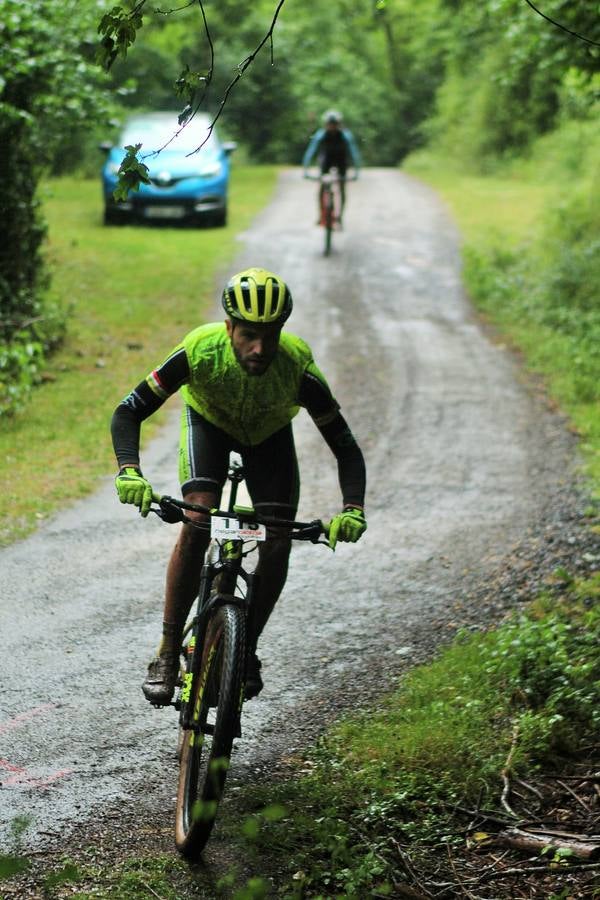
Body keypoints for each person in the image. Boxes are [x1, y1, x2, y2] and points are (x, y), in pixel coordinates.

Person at [111, 267, 367, 706]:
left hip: (268, 437)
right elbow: (129, 410)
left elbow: (345, 447)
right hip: (207, 425)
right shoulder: (198, 351)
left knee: (279, 539)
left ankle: (245, 649)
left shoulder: (297, 367)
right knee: (197, 518)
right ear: (229, 327)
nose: (260, 348)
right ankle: (169, 651)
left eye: (270, 335)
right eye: (249, 334)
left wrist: (353, 508)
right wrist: (129, 470)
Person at [302, 109, 361, 223]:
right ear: (326, 124)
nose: (332, 127)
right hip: (326, 161)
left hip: (341, 161)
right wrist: (305, 170)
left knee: (342, 188)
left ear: (339, 124)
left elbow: (354, 153)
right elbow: (311, 152)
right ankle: (321, 215)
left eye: (335, 124)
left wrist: (356, 172)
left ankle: (340, 217)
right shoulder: (321, 135)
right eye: (330, 124)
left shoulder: (345, 136)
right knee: (322, 187)